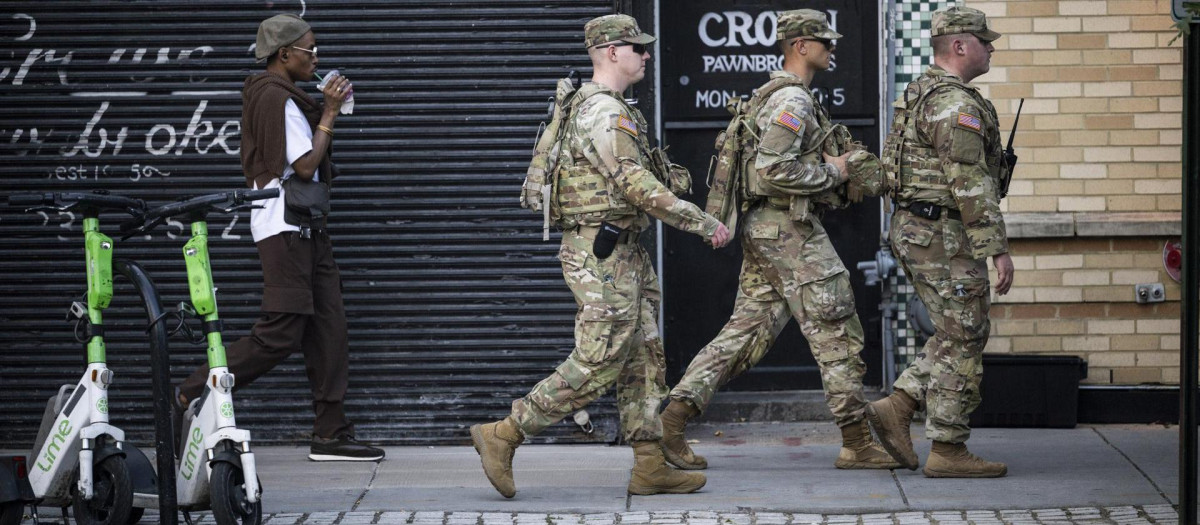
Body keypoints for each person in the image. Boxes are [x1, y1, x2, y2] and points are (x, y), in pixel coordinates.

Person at [470, 14, 732, 499]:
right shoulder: (604, 113)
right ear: (612, 52)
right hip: (601, 255)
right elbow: (635, 184)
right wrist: (702, 222)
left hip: (622, 250)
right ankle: (504, 433)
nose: (646, 55)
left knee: (643, 359)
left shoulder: (605, 107)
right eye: (638, 48)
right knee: (597, 361)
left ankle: (650, 464)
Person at [658, 9, 901, 473]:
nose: (832, 50)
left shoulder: (778, 96)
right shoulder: (794, 101)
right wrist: (837, 171)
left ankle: (672, 420)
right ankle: (856, 440)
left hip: (768, 230)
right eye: (825, 43)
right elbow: (772, 170)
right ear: (801, 46)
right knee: (837, 324)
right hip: (787, 229)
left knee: (746, 333)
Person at [174, 13, 384, 462]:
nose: (316, 58)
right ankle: (191, 393)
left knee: (330, 328)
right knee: (281, 335)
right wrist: (328, 112)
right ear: (285, 54)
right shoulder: (274, 98)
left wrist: (324, 111)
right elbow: (305, 166)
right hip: (285, 231)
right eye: (310, 50)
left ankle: (330, 434)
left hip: (309, 230)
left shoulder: (286, 96)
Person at [867, 5, 1014, 478]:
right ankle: (948, 448)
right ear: (958, 45)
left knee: (956, 330)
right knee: (966, 330)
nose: (991, 47)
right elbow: (969, 181)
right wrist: (996, 248)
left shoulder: (920, 93)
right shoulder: (954, 104)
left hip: (922, 228)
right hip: (943, 234)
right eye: (983, 39)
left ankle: (900, 404)